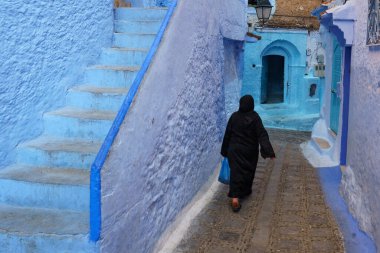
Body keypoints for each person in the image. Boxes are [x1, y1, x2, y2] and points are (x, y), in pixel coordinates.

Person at [221, 95, 275, 212]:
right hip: (249, 151)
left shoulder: (234, 117)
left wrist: (224, 150)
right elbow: (262, 134)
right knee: (248, 171)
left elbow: (227, 135)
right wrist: (269, 151)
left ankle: (236, 197)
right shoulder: (255, 117)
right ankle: (242, 192)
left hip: (234, 150)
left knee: (235, 172)